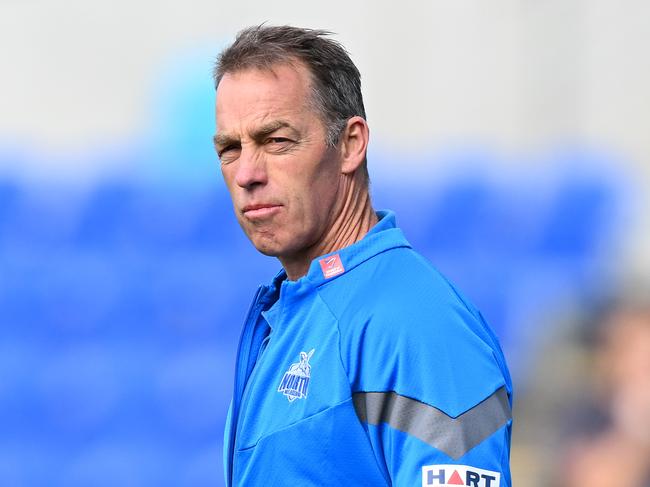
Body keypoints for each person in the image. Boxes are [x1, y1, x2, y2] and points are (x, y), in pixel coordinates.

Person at [213, 25, 513, 487]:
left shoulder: (414, 322)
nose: (248, 173)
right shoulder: (294, 313)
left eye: (276, 141)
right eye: (230, 149)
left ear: (351, 144)